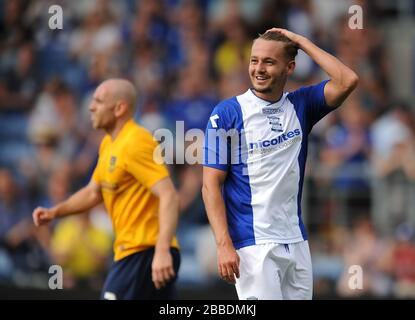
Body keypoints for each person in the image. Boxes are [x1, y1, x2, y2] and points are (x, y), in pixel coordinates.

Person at [202, 28, 358, 300]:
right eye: (254, 60)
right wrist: (223, 243)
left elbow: (347, 80)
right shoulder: (227, 113)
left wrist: (301, 41)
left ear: (290, 67)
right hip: (253, 244)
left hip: (296, 240)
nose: (258, 69)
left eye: (269, 62)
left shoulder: (302, 105)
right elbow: (210, 184)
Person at [32, 79, 180, 300]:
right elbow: (93, 192)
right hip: (137, 252)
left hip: (144, 251)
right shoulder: (109, 144)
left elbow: (168, 194)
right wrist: (55, 212)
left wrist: (161, 250)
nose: (91, 107)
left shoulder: (136, 141)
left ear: (119, 108)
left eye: (99, 101)